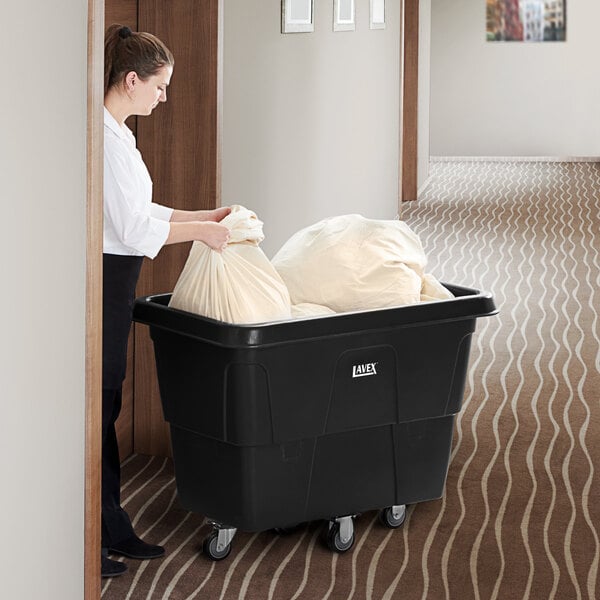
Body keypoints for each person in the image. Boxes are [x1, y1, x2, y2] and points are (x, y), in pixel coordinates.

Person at [102, 23, 231, 578]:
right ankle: (96, 532)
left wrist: (203, 217)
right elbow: (131, 228)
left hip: (118, 277)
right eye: (159, 86)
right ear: (132, 80)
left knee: (108, 407)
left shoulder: (120, 135)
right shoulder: (102, 140)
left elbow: (143, 213)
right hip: (104, 281)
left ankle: (110, 526)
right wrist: (201, 235)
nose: (164, 96)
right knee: (99, 411)